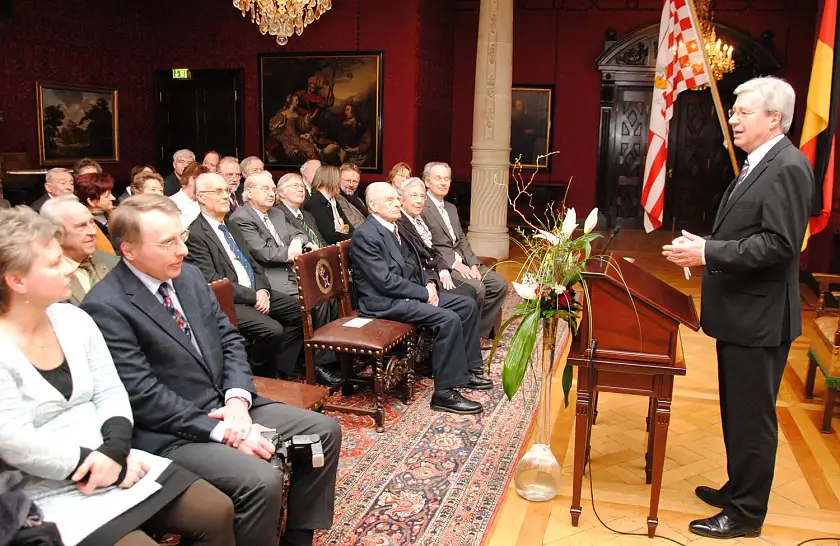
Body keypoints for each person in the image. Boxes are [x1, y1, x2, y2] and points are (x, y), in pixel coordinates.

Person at [80, 195, 340, 546]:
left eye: (182, 237)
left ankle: (297, 536)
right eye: (168, 243)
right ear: (128, 251)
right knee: (261, 479)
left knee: (323, 431)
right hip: (173, 432)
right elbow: (143, 395)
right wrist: (225, 433)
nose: (182, 250)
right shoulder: (105, 305)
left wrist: (236, 400)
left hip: (226, 404)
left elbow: (230, 340)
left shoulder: (187, 277)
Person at [0, 207, 236, 546]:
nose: (69, 266)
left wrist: (114, 449)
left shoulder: (73, 319)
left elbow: (110, 391)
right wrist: (94, 461)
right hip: (45, 484)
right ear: (17, 280)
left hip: (114, 452)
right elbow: (15, 441)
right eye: (54, 263)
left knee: (215, 509)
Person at [662, 76, 814, 540]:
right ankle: (739, 488)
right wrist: (709, 245)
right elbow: (750, 232)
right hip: (743, 318)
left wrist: (709, 254)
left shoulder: (788, 166)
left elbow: (780, 244)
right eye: (733, 111)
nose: (733, 119)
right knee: (738, 413)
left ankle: (746, 514)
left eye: (742, 111)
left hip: (760, 321)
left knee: (753, 419)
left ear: (773, 118)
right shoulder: (758, 164)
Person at [352, 183, 492, 414]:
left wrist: (430, 283)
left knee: (466, 304)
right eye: (390, 200)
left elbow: (420, 261)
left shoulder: (395, 228)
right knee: (448, 319)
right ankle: (444, 394)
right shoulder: (366, 235)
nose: (397, 203)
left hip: (409, 293)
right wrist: (424, 293)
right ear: (373, 206)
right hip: (383, 303)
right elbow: (384, 282)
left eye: (397, 199)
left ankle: (466, 371)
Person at [185, 172, 305, 380]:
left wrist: (263, 289)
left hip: (254, 290)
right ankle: (254, 374)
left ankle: (279, 372)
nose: (226, 195)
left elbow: (251, 262)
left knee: (300, 311)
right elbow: (213, 281)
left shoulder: (230, 224)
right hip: (229, 300)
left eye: (227, 190)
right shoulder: (195, 234)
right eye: (219, 191)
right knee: (272, 330)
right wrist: (253, 295)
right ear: (202, 197)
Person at [421, 161, 508, 340]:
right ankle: (467, 336)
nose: (444, 183)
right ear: (427, 182)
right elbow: (430, 246)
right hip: (444, 265)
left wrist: (473, 264)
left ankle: (478, 334)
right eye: (438, 178)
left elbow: (461, 239)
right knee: (478, 288)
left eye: (447, 179)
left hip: (464, 260)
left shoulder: (451, 208)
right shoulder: (422, 208)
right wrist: (456, 264)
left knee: (499, 285)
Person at [396, 178, 478, 303]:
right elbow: (417, 259)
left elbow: (433, 250)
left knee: (471, 292)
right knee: (467, 298)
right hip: (422, 280)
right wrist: (431, 282)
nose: (419, 201)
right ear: (401, 199)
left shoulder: (418, 220)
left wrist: (444, 271)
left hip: (435, 271)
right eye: (413, 196)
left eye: (422, 196)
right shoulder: (400, 223)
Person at [40, 194, 119, 305]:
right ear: (55, 233)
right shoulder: (45, 278)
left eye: (92, 222)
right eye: (81, 226)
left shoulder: (112, 261)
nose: (93, 232)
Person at [303, 165, 353, 244]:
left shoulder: (332, 200)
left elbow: (349, 226)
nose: (341, 184)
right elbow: (330, 237)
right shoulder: (315, 202)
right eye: (339, 180)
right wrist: (356, 237)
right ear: (331, 180)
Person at [276, 173, 325, 247]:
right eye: (295, 186)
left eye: (302, 186)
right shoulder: (278, 214)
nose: (301, 189)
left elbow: (321, 241)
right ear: (281, 193)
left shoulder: (308, 215)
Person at [268, 95, 319, 164]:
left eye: (298, 100)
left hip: (296, 138)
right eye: (296, 100)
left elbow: (302, 127)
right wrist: (281, 125)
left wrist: (307, 120)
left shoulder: (296, 114)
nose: (298, 102)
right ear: (290, 101)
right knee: (297, 153)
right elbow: (273, 127)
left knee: (310, 149)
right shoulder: (283, 114)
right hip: (286, 138)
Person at [75, 172, 117, 255]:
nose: (113, 198)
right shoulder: (83, 228)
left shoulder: (117, 216)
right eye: (107, 196)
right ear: (90, 201)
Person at [170, 161, 207, 228]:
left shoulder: (205, 202)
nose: (206, 187)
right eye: (204, 182)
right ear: (191, 180)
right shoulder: (172, 203)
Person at [336, 162, 367, 228]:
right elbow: (355, 225)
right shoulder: (338, 199)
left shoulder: (358, 199)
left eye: (355, 181)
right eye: (348, 180)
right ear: (338, 179)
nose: (351, 185)